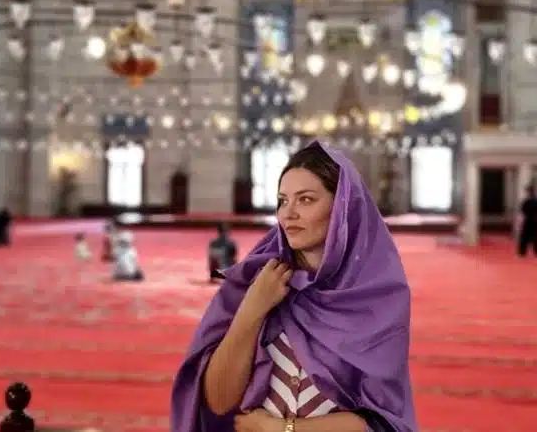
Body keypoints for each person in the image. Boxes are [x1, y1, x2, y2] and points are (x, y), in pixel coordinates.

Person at [171, 141, 416, 432]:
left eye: (306, 200)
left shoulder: (378, 299)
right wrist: (253, 308)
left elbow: (381, 423)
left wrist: (280, 428)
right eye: (283, 201)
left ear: (342, 208)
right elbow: (219, 401)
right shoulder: (259, 281)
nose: (288, 214)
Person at [517, 185, 537, 257]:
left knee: (524, 237)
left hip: (528, 219)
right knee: (535, 236)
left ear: (529, 192)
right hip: (535, 220)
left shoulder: (526, 201)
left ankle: (522, 252)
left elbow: (522, 210)